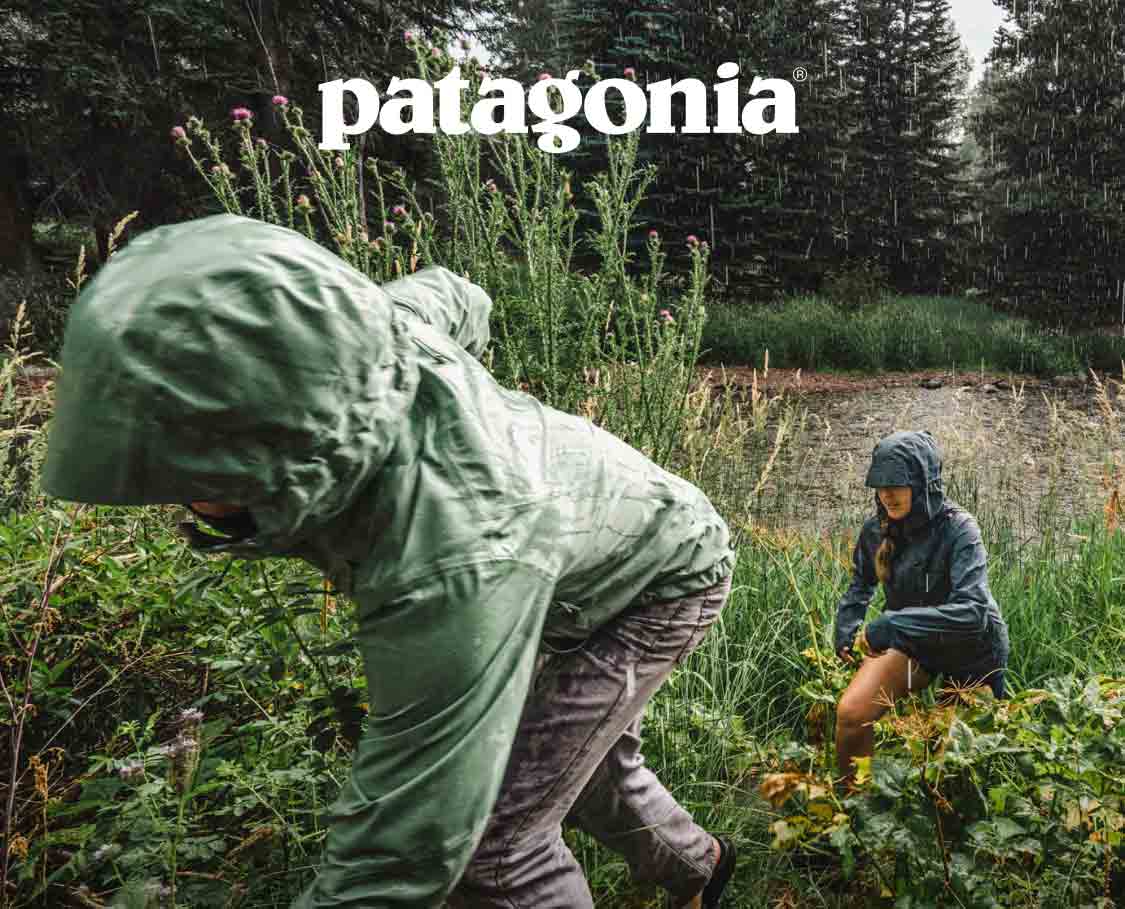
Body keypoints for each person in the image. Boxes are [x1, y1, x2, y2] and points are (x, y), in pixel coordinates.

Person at [40, 213, 739, 908]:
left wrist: (483, 443)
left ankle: (696, 872)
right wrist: (480, 407)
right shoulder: (367, 345)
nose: (178, 497)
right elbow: (459, 294)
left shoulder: (449, 560)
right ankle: (703, 870)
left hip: (660, 577)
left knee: (496, 846)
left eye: (189, 474)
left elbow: (400, 855)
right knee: (573, 762)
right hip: (577, 547)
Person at [833, 430, 1010, 786]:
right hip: (915, 643)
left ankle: (945, 814)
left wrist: (891, 625)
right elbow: (861, 582)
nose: (887, 495)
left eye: (897, 484)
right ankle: (854, 806)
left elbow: (973, 612)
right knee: (852, 714)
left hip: (972, 651)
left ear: (922, 482)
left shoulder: (960, 529)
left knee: (947, 762)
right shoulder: (876, 530)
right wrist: (847, 625)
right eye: (880, 485)